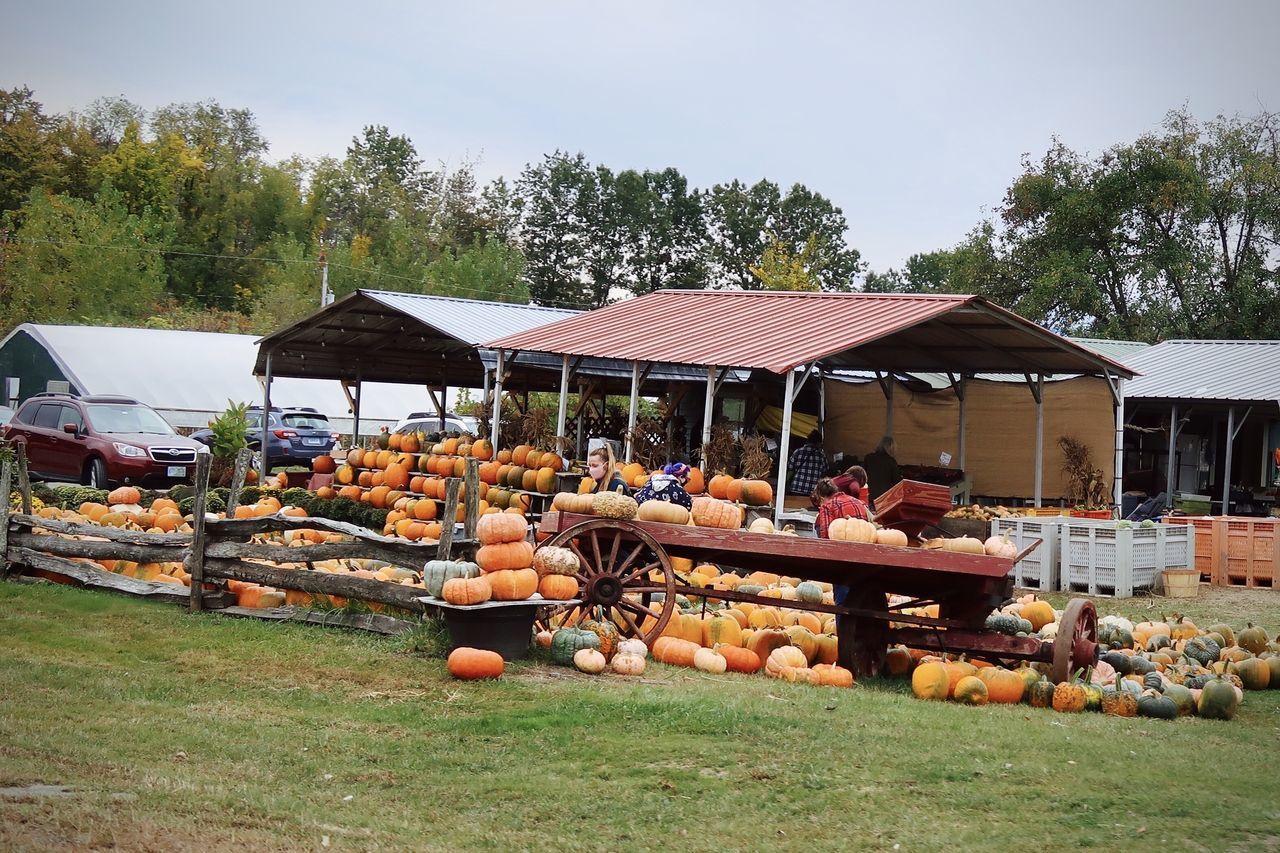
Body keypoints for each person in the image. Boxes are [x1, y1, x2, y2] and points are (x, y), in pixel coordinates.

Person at [813, 477, 870, 606]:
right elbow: (868, 531)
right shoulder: (858, 503)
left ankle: (843, 625)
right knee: (861, 600)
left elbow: (826, 538)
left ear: (821, 497)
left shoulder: (827, 506)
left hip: (842, 562)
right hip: (863, 560)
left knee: (842, 602)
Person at [862, 436, 901, 508]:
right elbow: (897, 481)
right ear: (891, 448)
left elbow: (862, 475)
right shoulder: (891, 461)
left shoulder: (868, 457)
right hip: (883, 497)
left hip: (868, 495)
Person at [787, 429, 827, 497]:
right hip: (813, 490)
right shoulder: (821, 455)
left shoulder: (798, 451)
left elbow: (790, 468)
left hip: (797, 487)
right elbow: (825, 471)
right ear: (819, 442)